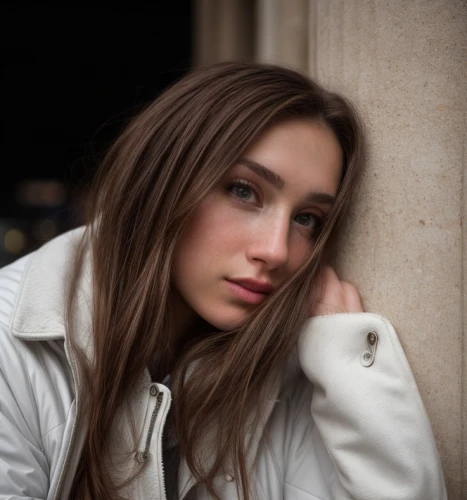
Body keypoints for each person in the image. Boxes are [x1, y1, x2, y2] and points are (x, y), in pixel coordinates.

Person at [0, 61, 446, 500]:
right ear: (164, 179)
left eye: (307, 219)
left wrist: (352, 371)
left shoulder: (290, 372)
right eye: (243, 191)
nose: (276, 250)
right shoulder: (12, 344)